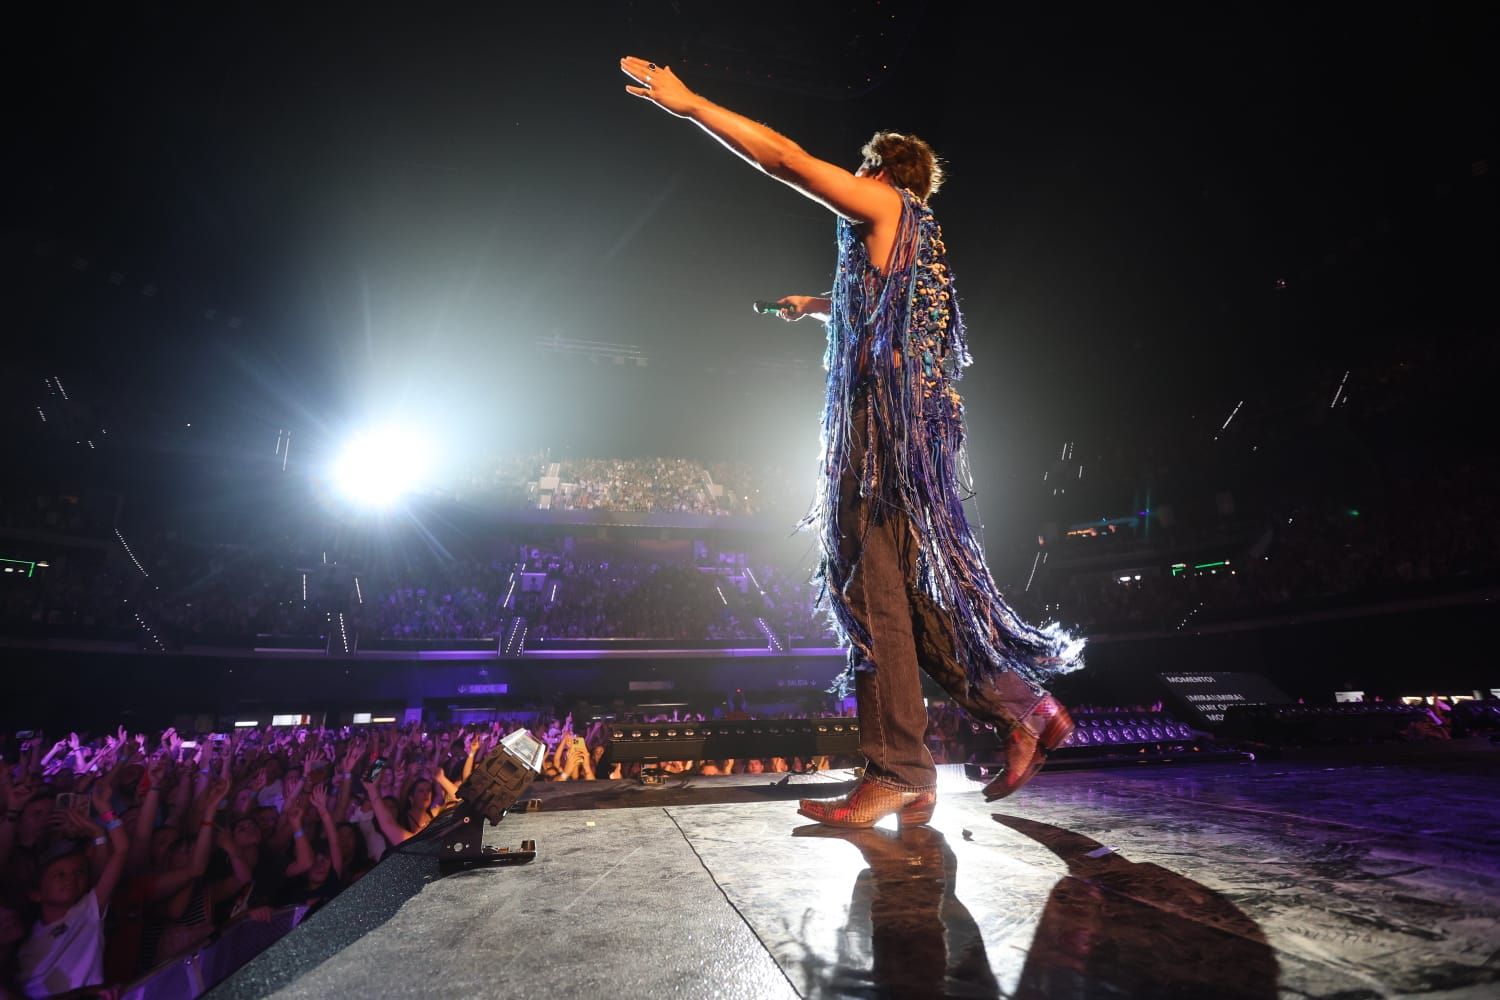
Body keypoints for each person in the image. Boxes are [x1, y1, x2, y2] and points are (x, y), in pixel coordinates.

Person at [620, 57, 1085, 827]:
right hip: (914, 438)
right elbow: (888, 321)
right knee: (904, 602)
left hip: (880, 438)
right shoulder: (919, 238)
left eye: (863, 167)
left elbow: (784, 158)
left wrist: (693, 103)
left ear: (881, 170)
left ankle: (899, 769)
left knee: (868, 600)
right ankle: (1024, 710)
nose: (854, 176)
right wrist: (818, 306)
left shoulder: (882, 201)